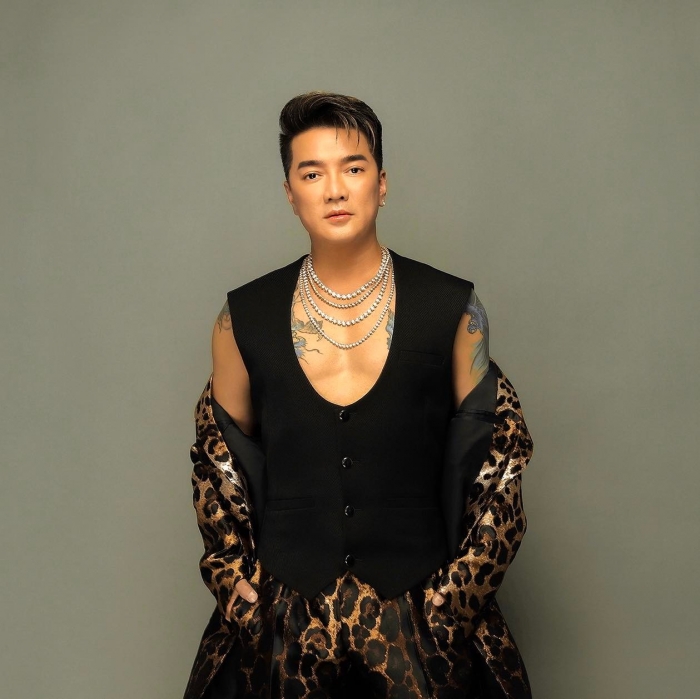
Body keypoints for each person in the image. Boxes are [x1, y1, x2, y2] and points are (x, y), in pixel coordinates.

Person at [183, 92, 534, 699]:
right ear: (290, 193)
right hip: (284, 634)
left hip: (421, 628)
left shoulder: (453, 308)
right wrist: (235, 584)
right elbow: (217, 461)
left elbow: (498, 461)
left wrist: (457, 598)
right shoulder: (241, 318)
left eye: (353, 167)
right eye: (311, 173)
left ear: (382, 183)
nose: (334, 190)